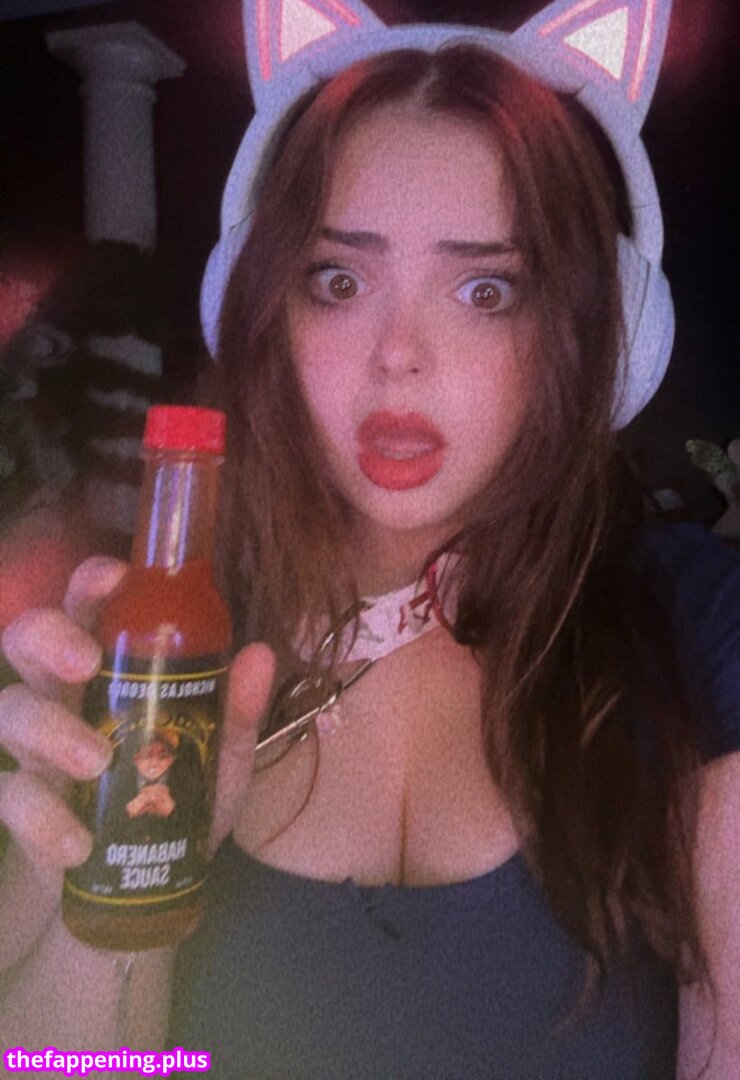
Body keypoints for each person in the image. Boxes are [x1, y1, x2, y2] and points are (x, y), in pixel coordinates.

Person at [1, 0, 739, 1077]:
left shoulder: (696, 628)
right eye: (338, 281)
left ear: (584, 333)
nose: (399, 353)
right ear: (266, 310)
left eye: (486, 289)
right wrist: (109, 893)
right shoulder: (158, 647)